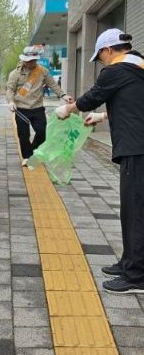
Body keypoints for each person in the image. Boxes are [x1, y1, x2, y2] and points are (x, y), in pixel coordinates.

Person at [56, 29, 144, 294]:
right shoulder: (138, 65)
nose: (101, 62)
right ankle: (130, 262)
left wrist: (67, 109)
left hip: (136, 148)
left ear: (108, 50)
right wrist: (102, 118)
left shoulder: (115, 70)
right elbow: (132, 103)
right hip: (138, 145)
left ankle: (136, 276)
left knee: (135, 211)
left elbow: (92, 96)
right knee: (133, 209)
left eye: (100, 57)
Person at [5, 46, 73, 165]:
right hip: (21, 109)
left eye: (33, 60)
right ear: (24, 60)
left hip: (37, 108)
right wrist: (11, 101)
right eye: (28, 61)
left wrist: (63, 95)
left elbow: (53, 85)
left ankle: (32, 150)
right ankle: (26, 157)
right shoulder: (15, 74)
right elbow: (10, 89)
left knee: (43, 132)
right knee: (24, 135)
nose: (31, 63)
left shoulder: (42, 71)